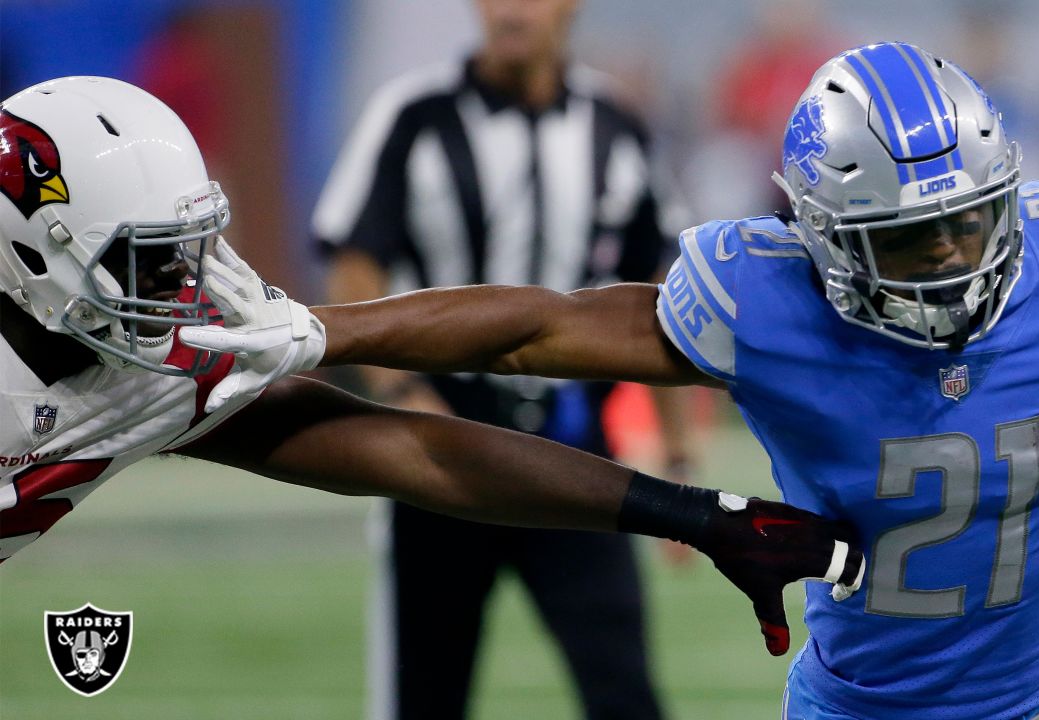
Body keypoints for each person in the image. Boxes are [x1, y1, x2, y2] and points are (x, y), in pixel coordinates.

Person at [187, 42, 1039, 720]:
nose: (951, 256)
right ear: (824, 240)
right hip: (851, 709)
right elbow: (537, 326)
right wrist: (323, 328)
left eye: (968, 221)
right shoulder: (763, 296)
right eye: (909, 239)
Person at [0, 75, 866, 688]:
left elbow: (418, 453)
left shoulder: (151, 368)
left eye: (187, 254)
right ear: (34, 255)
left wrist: (698, 514)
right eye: (148, 265)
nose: (185, 290)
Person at [311, 1, 693, 717]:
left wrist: (677, 455)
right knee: (424, 693)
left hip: (575, 447)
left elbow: (664, 298)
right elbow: (355, 260)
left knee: (624, 689)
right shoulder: (414, 114)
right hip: (444, 442)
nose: (511, 9)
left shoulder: (615, 123)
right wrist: (404, 396)